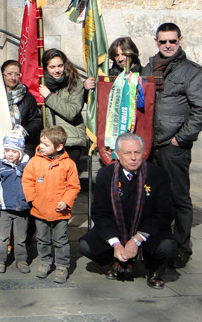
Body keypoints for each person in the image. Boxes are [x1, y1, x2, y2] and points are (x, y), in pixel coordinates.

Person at [79, 133, 176, 289]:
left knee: (167, 246)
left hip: (146, 230)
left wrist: (136, 239)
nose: (133, 158)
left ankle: (155, 270)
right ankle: (114, 262)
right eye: (127, 153)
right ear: (117, 155)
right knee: (86, 245)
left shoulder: (158, 174)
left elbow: (164, 213)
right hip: (117, 228)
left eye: (137, 152)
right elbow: (99, 212)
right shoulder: (106, 175)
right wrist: (116, 244)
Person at [141, 22, 202, 268]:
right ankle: (157, 243)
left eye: (172, 41)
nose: (167, 45)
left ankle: (181, 248)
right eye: (163, 41)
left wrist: (182, 138)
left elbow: (199, 110)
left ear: (180, 41)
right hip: (150, 144)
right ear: (156, 42)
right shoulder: (148, 69)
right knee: (153, 197)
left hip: (173, 145)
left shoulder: (191, 72)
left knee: (179, 198)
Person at [22, 126, 80, 284]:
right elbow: (27, 181)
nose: (41, 146)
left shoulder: (68, 164)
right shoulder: (34, 162)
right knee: (42, 238)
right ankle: (45, 262)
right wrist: (32, 200)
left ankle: (62, 266)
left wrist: (66, 201)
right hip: (39, 209)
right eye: (41, 142)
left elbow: (73, 186)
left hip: (60, 211)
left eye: (46, 144)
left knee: (60, 239)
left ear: (59, 147)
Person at [0, 126, 31, 274]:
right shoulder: (0, 165)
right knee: (1, 237)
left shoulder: (27, 166)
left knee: (20, 238)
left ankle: (21, 260)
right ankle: (0, 260)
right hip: (4, 208)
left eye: (14, 151)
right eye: (7, 150)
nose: (10, 154)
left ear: (21, 151)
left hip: (22, 208)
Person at [39, 49, 88, 170]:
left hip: (70, 141)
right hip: (49, 142)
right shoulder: (41, 85)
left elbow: (72, 112)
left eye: (60, 66)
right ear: (45, 68)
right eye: (52, 67)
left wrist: (49, 96)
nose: (57, 70)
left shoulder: (74, 83)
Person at [2, 60, 42, 156]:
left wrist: (22, 131)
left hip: (23, 146)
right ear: (2, 74)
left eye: (17, 74)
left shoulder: (28, 98)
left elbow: (36, 122)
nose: (13, 78)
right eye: (9, 74)